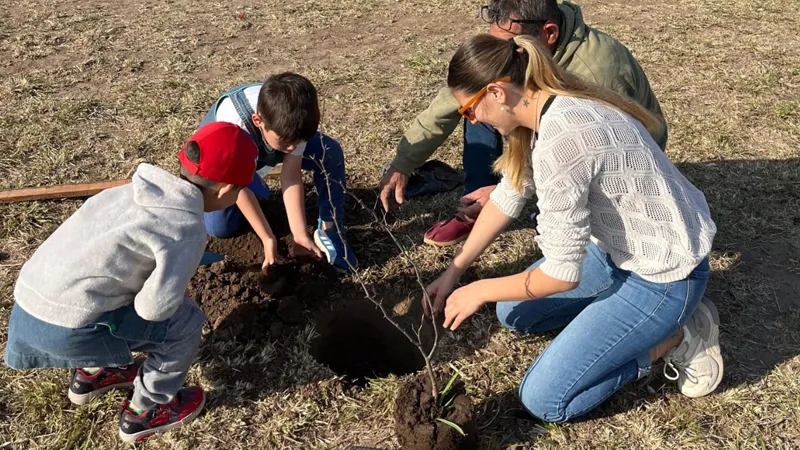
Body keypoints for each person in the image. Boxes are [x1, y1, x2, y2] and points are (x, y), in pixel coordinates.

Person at [426, 34, 722, 423]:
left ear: (497, 92)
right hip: (615, 252)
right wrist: (455, 270)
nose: (473, 120)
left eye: (468, 110)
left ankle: (677, 337)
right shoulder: (546, 107)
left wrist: (478, 290)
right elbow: (510, 194)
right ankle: (633, 316)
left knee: (545, 400)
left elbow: (561, 275)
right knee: (513, 313)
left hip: (666, 278)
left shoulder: (563, 141)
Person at [4, 122, 258, 442]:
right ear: (225, 188)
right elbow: (155, 310)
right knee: (186, 321)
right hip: (69, 329)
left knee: (111, 289)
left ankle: (94, 373)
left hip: (29, 306)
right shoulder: (185, 227)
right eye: (240, 190)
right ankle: (145, 411)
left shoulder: (126, 193)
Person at [380, 0, 667, 248]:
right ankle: (476, 210)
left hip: (616, 160)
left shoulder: (594, 70)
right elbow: (455, 97)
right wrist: (403, 163)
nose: (503, 53)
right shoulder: (518, 41)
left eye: (507, 46)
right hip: (561, 133)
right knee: (479, 104)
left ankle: (503, 203)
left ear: (549, 33)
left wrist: (513, 187)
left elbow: (597, 153)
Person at [201, 72, 357, 272]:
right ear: (258, 121)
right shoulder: (232, 128)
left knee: (330, 152)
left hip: (266, 144)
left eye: (297, 142)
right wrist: (267, 238)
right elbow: (237, 189)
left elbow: (290, 176)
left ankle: (330, 226)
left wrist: (299, 234)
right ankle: (255, 180)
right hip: (224, 164)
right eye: (286, 142)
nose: (293, 148)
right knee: (220, 228)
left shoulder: (292, 124)